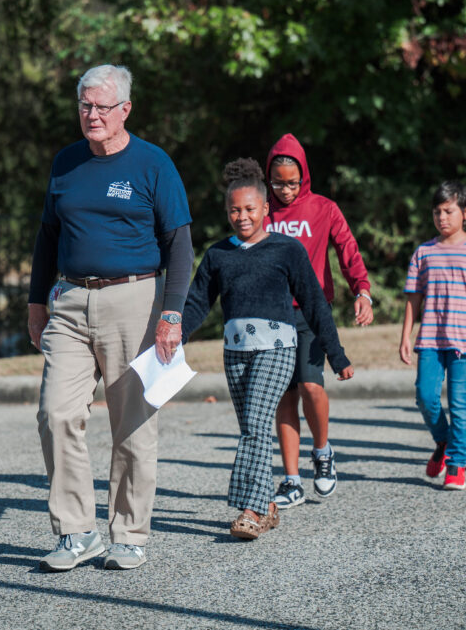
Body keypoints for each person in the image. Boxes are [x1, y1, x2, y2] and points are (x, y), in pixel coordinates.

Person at [28, 64, 193, 572]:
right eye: (84, 105)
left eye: (101, 106)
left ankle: (129, 533)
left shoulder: (153, 164)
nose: (91, 114)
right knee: (56, 413)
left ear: (125, 109)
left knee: (133, 424)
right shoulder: (66, 163)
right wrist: (36, 303)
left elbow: (179, 244)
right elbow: (47, 239)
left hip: (136, 300)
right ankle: (77, 533)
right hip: (71, 301)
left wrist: (171, 313)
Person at [180, 158, 354, 539]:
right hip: (235, 352)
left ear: (264, 209)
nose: (242, 217)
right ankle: (270, 505)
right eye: (234, 210)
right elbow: (196, 303)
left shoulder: (286, 249)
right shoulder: (218, 254)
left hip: (277, 348)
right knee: (251, 428)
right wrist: (175, 336)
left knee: (257, 422)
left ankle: (252, 509)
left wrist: (336, 354)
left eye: (249, 209)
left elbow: (314, 303)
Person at [262, 134, 373, 509]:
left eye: (292, 182)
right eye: (278, 182)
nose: (286, 189)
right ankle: (291, 480)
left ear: (304, 176)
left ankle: (322, 452)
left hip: (312, 312)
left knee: (311, 386)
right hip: (271, 315)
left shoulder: (323, 208)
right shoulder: (262, 212)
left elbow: (348, 249)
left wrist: (362, 290)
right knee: (284, 394)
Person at [399, 181, 466, 490]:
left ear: (465, 212)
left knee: (459, 403)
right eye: (437, 212)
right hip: (430, 338)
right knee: (425, 395)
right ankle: (443, 441)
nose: (442, 218)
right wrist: (405, 335)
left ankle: (457, 464)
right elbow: (413, 297)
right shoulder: (424, 252)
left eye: (449, 211)